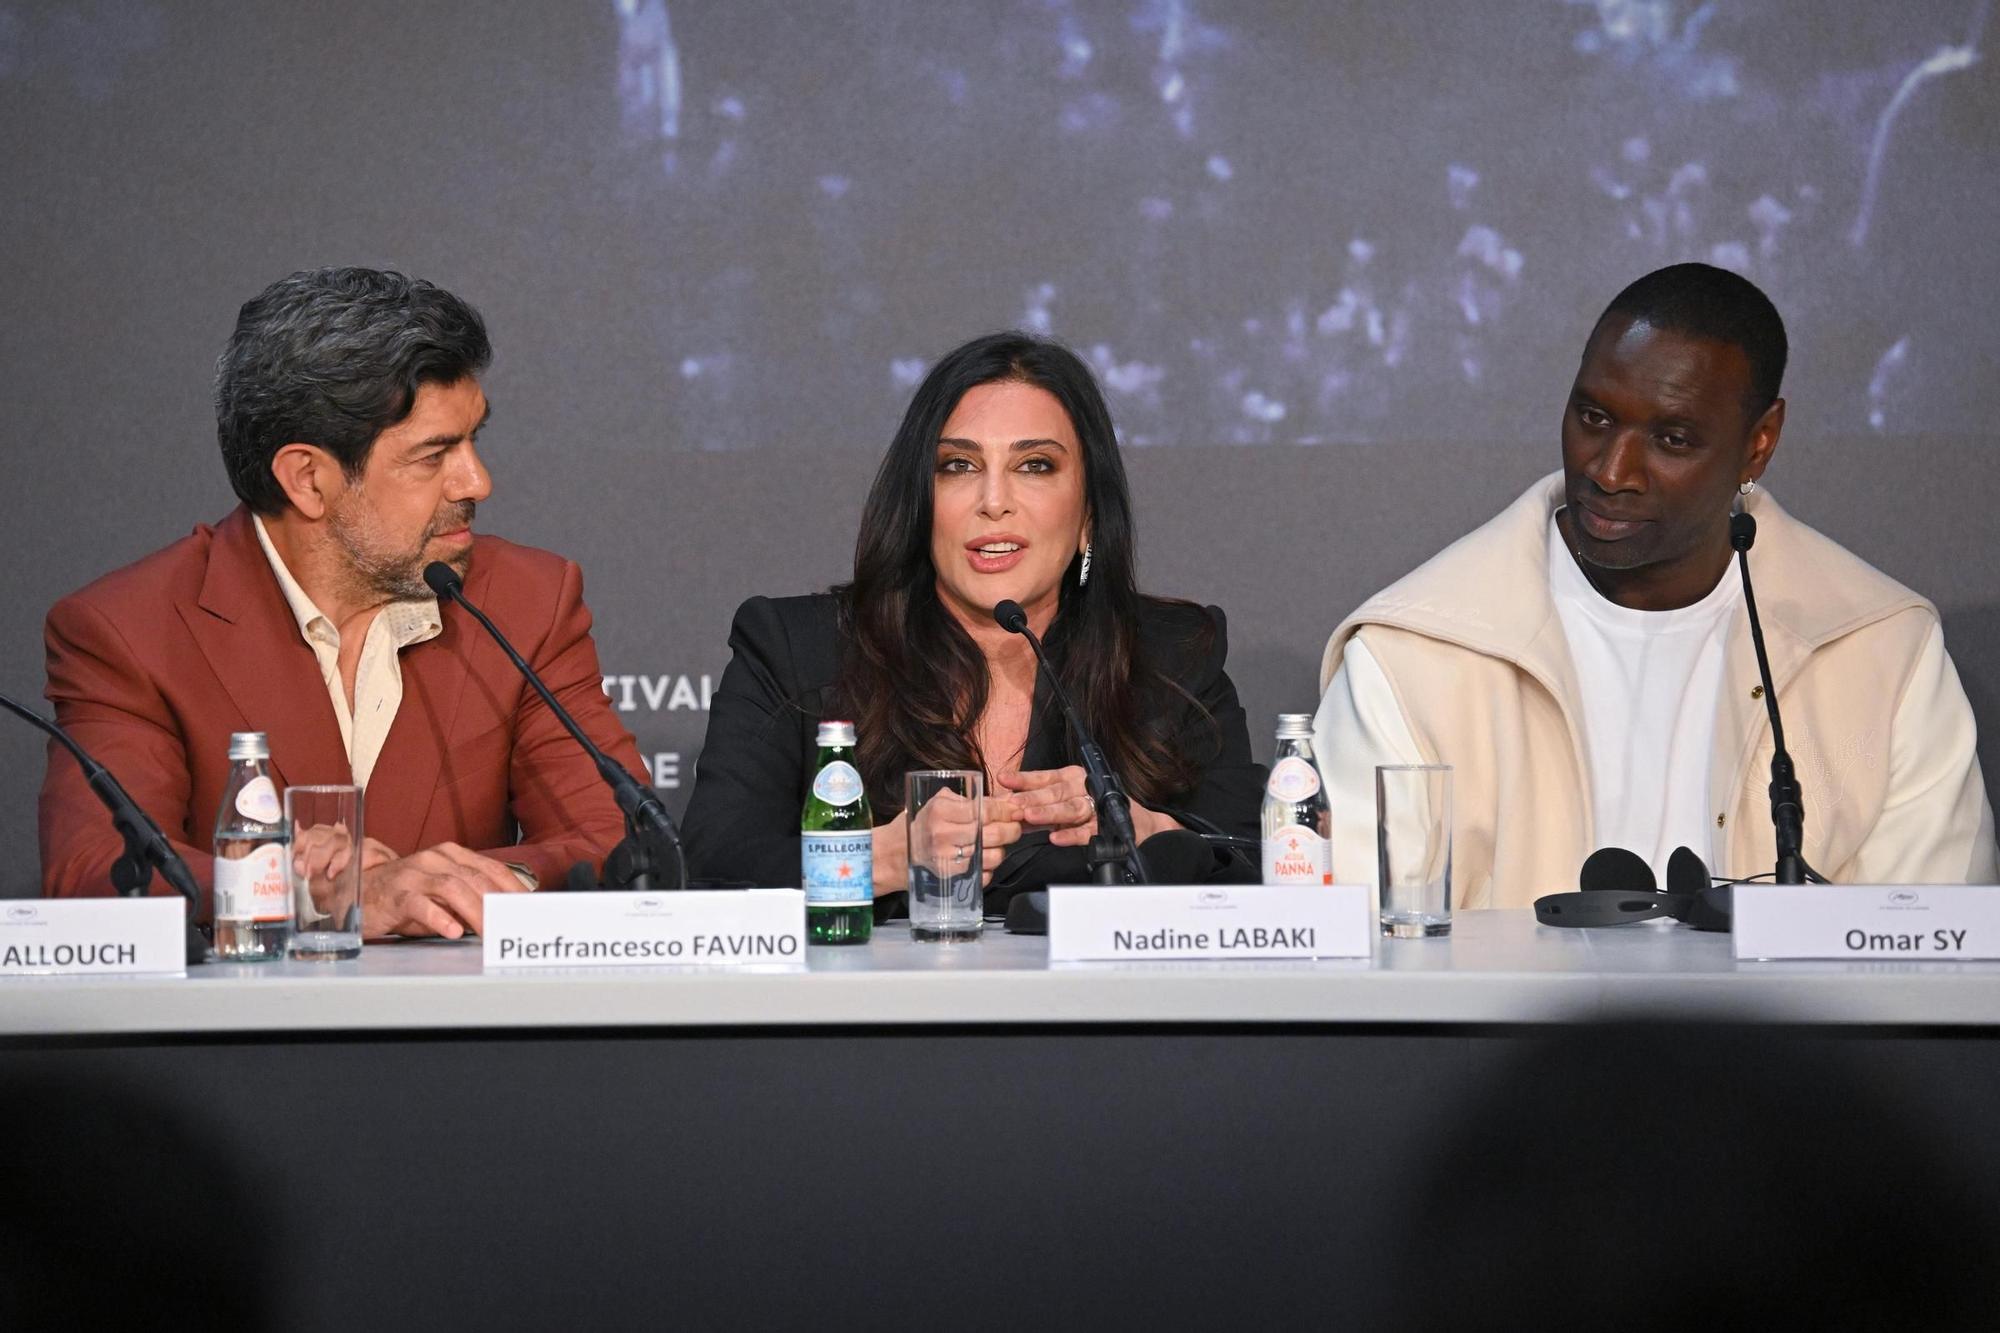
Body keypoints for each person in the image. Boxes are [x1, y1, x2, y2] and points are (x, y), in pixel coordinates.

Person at [1314, 262, 1997, 907]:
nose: (1611, 471)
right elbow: (1369, 959)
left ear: (1760, 442)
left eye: (1671, 439)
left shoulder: (1882, 649)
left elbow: (1931, 955)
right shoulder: (1414, 654)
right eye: (1594, 418)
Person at [40, 267, 645, 937]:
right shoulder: (129, 630)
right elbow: (98, 866)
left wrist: (462, 887)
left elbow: (618, 835)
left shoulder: (528, 600)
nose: (478, 479)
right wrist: (314, 890)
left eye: (473, 441)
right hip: (243, 1038)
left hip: (468, 1034)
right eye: (434, 454)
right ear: (308, 479)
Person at [682, 331, 1263, 911]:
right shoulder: (797, 649)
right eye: (958, 465)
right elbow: (709, 870)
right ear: (920, 502)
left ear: (1088, 514)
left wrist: (1149, 834)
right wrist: (879, 859)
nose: (993, 500)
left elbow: (1263, 860)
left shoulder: (1172, 657)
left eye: (1035, 465)